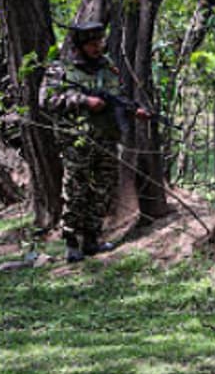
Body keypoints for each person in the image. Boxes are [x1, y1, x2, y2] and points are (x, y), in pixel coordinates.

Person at [40, 21, 147, 263]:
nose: (97, 47)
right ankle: (71, 242)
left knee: (102, 189)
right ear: (80, 45)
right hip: (76, 140)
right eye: (92, 44)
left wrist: (133, 111)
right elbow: (47, 101)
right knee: (76, 190)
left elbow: (116, 98)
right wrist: (83, 101)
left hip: (107, 138)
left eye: (99, 42)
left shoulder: (108, 67)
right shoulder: (61, 69)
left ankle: (92, 239)